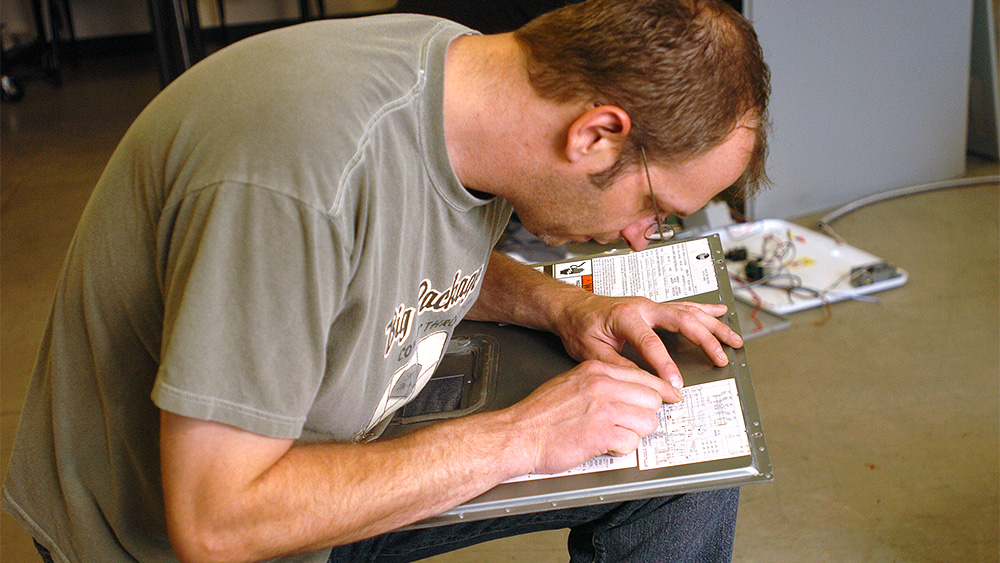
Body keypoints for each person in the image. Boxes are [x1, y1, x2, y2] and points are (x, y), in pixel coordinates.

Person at [2, 0, 770, 561]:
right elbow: (216, 520)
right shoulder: (292, 176)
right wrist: (523, 437)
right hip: (176, 532)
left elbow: (406, 242)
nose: (643, 235)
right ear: (596, 134)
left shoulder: (481, 87)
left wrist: (565, 305)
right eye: (654, 206)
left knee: (685, 471)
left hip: (327, 434)